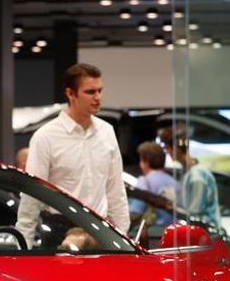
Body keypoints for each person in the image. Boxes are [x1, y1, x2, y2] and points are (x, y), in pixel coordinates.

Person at [15, 63, 129, 248]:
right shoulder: (46, 137)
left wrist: (122, 237)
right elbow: (32, 195)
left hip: (100, 232)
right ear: (70, 94)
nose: (98, 97)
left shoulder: (107, 132)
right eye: (90, 92)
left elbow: (115, 189)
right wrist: (24, 244)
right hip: (59, 233)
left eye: (100, 90)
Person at [162, 125, 221, 230]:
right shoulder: (188, 173)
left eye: (167, 148)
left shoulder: (196, 176)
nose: (167, 152)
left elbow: (194, 214)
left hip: (206, 235)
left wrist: (172, 208)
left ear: (176, 148)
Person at [129, 141, 178, 227]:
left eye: (141, 160)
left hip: (154, 234)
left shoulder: (144, 181)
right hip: (174, 234)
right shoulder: (176, 183)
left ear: (146, 162)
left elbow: (135, 212)